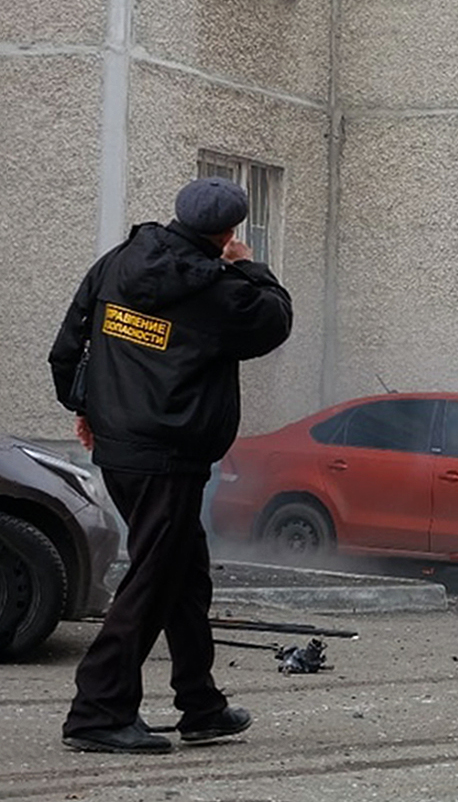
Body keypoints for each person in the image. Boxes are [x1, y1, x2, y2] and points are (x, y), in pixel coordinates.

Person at [48, 177, 294, 754]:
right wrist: (249, 267)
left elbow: (69, 345)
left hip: (120, 447)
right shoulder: (215, 288)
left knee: (184, 574)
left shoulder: (118, 263)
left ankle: (200, 705)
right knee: (155, 580)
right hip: (170, 455)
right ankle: (98, 712)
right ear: (230, 232)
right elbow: (274, 320)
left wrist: (82, 407)